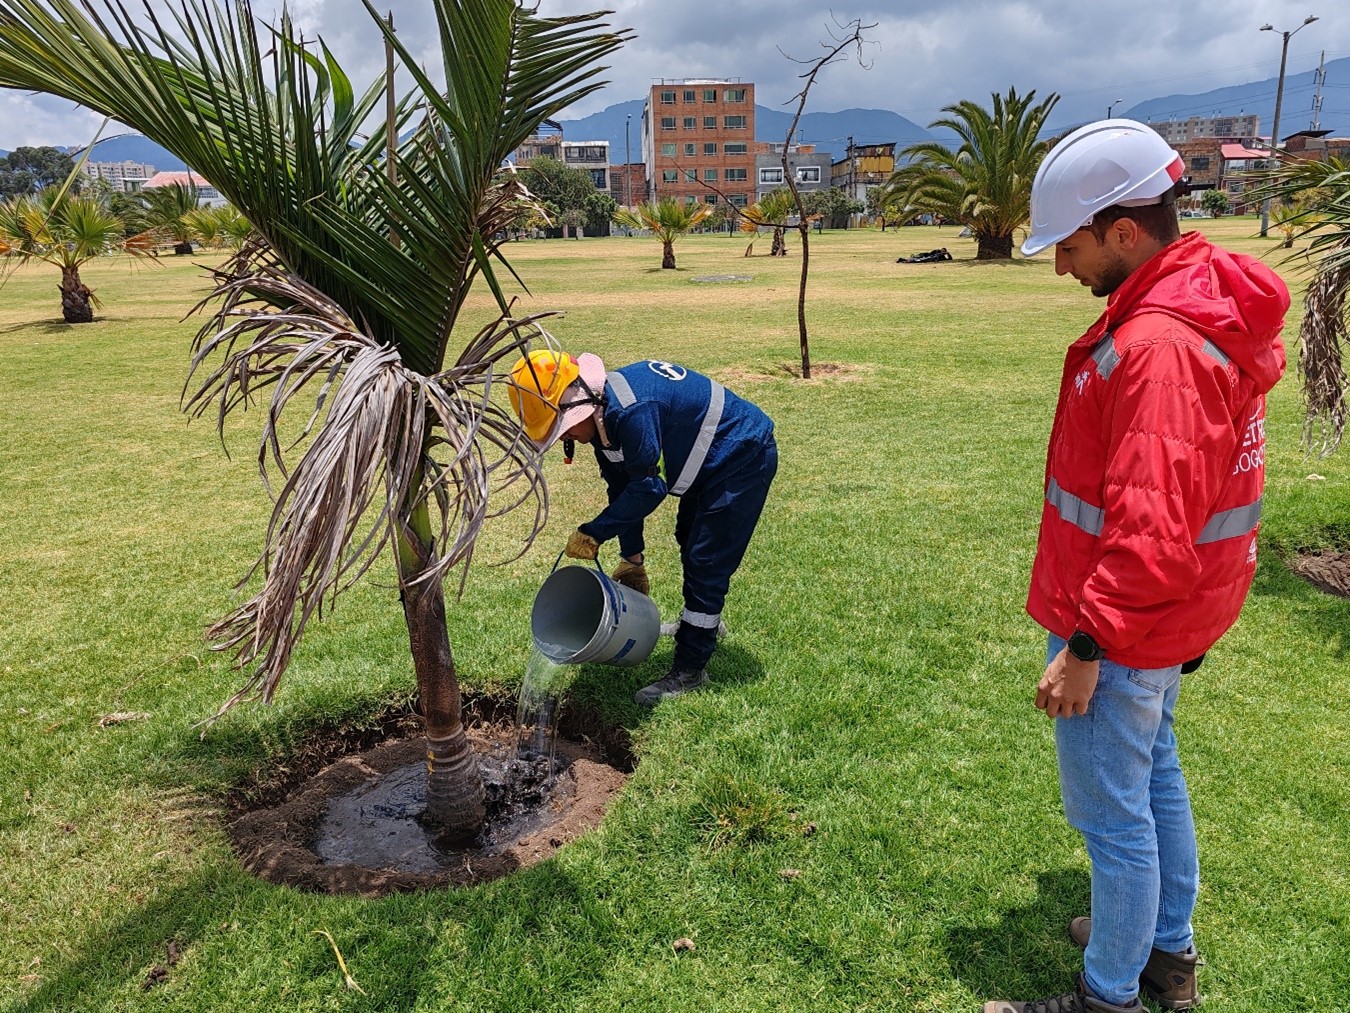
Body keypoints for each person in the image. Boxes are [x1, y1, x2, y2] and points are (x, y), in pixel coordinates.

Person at [983, 120, 1288, 1013]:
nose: (1059, 268)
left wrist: (1085, 645)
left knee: (1113, 817)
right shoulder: (1196, 308)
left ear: (1124, 231)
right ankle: (1164, 946)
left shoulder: (1157, 344)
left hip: (1125, 621)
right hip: (1170, 617)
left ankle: (1108, 992)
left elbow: (1150, 529)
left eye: (1070, 246)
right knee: (1155, 775)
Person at [508, 349, 777, 706]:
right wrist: (632, 558)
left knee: (706, 559)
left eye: (560, 428)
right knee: (690, 539)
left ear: (584, 403)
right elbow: (622, 488)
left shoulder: (632, 411)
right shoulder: (607, 417)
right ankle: (699, 625)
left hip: (741, 457)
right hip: (708, 467)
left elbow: (650, 488)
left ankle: (690, 669)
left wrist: (595, 530)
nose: (560, 438)